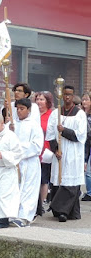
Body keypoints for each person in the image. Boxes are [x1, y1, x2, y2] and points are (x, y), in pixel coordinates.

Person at [46, 85, 87, 222]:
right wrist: (55, 148)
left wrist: (64, 130)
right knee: (59, 180)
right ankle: (63, 212)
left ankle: (64, 210)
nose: (67, 97)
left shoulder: (79, 114)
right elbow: (50, 133)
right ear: (62, 95)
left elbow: (81, 135)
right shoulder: (56, 113)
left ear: (73, 96)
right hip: (60, 152)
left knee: (70, 182)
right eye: (65, 94)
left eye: (69, 94)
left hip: (73, 152)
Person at [10, 98, 44, 227]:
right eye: (17, 108)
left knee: (28, 189)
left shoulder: (34, 125)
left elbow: (36, 146)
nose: (19, 111)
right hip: (15, 162)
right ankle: (13, 214)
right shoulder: (12, 125)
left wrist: (18, 148)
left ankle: (25, 216)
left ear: (28, 110)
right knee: (16, 188)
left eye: (22, 109)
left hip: (29, 162)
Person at [35, 91, 54, 213]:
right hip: (34, 150)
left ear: (47, 101)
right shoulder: (33, 114)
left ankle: (41, 202)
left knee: (43, 178)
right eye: (37, 99)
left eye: (41, 99)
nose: (39, 102)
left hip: (46, 150)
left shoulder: (51, 115)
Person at [81, 91, 91, 201]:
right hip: (84, 145)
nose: (84, 102)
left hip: (89, 144)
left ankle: (89, 193)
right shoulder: (81, 113)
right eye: (83, 99)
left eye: (87, 99)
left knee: (88, 171)